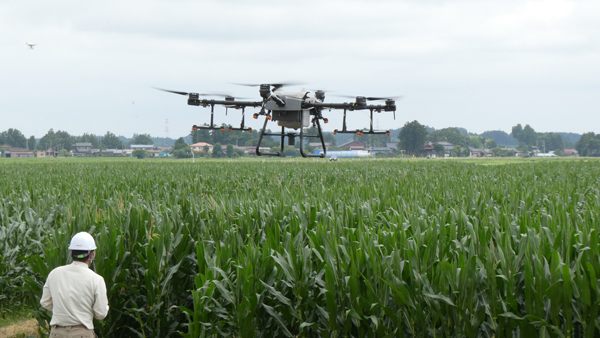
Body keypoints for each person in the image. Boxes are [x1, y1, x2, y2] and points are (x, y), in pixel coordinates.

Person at [40, 232, 109, 338]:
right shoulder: (96, 279)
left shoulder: (55, 273)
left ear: (71, 252)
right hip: (82, 334)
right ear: (92, 254)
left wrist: (63, 310)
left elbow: (45, 303)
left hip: (57, 333)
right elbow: (101, 313)